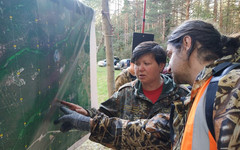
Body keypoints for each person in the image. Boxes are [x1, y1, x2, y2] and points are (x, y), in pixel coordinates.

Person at [54, 41, 190, 149]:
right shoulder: (126, 92)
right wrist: (87, 114)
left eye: (146, 63)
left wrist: (88, 123)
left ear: (161, 66)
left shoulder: (181, 96)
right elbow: (104, 114)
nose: (140, 68)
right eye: (136, 64)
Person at [166, 20, 240, 150]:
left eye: (170, 54)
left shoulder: (232, 85)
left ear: (186, 43)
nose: (168, 68)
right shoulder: (202, 91)